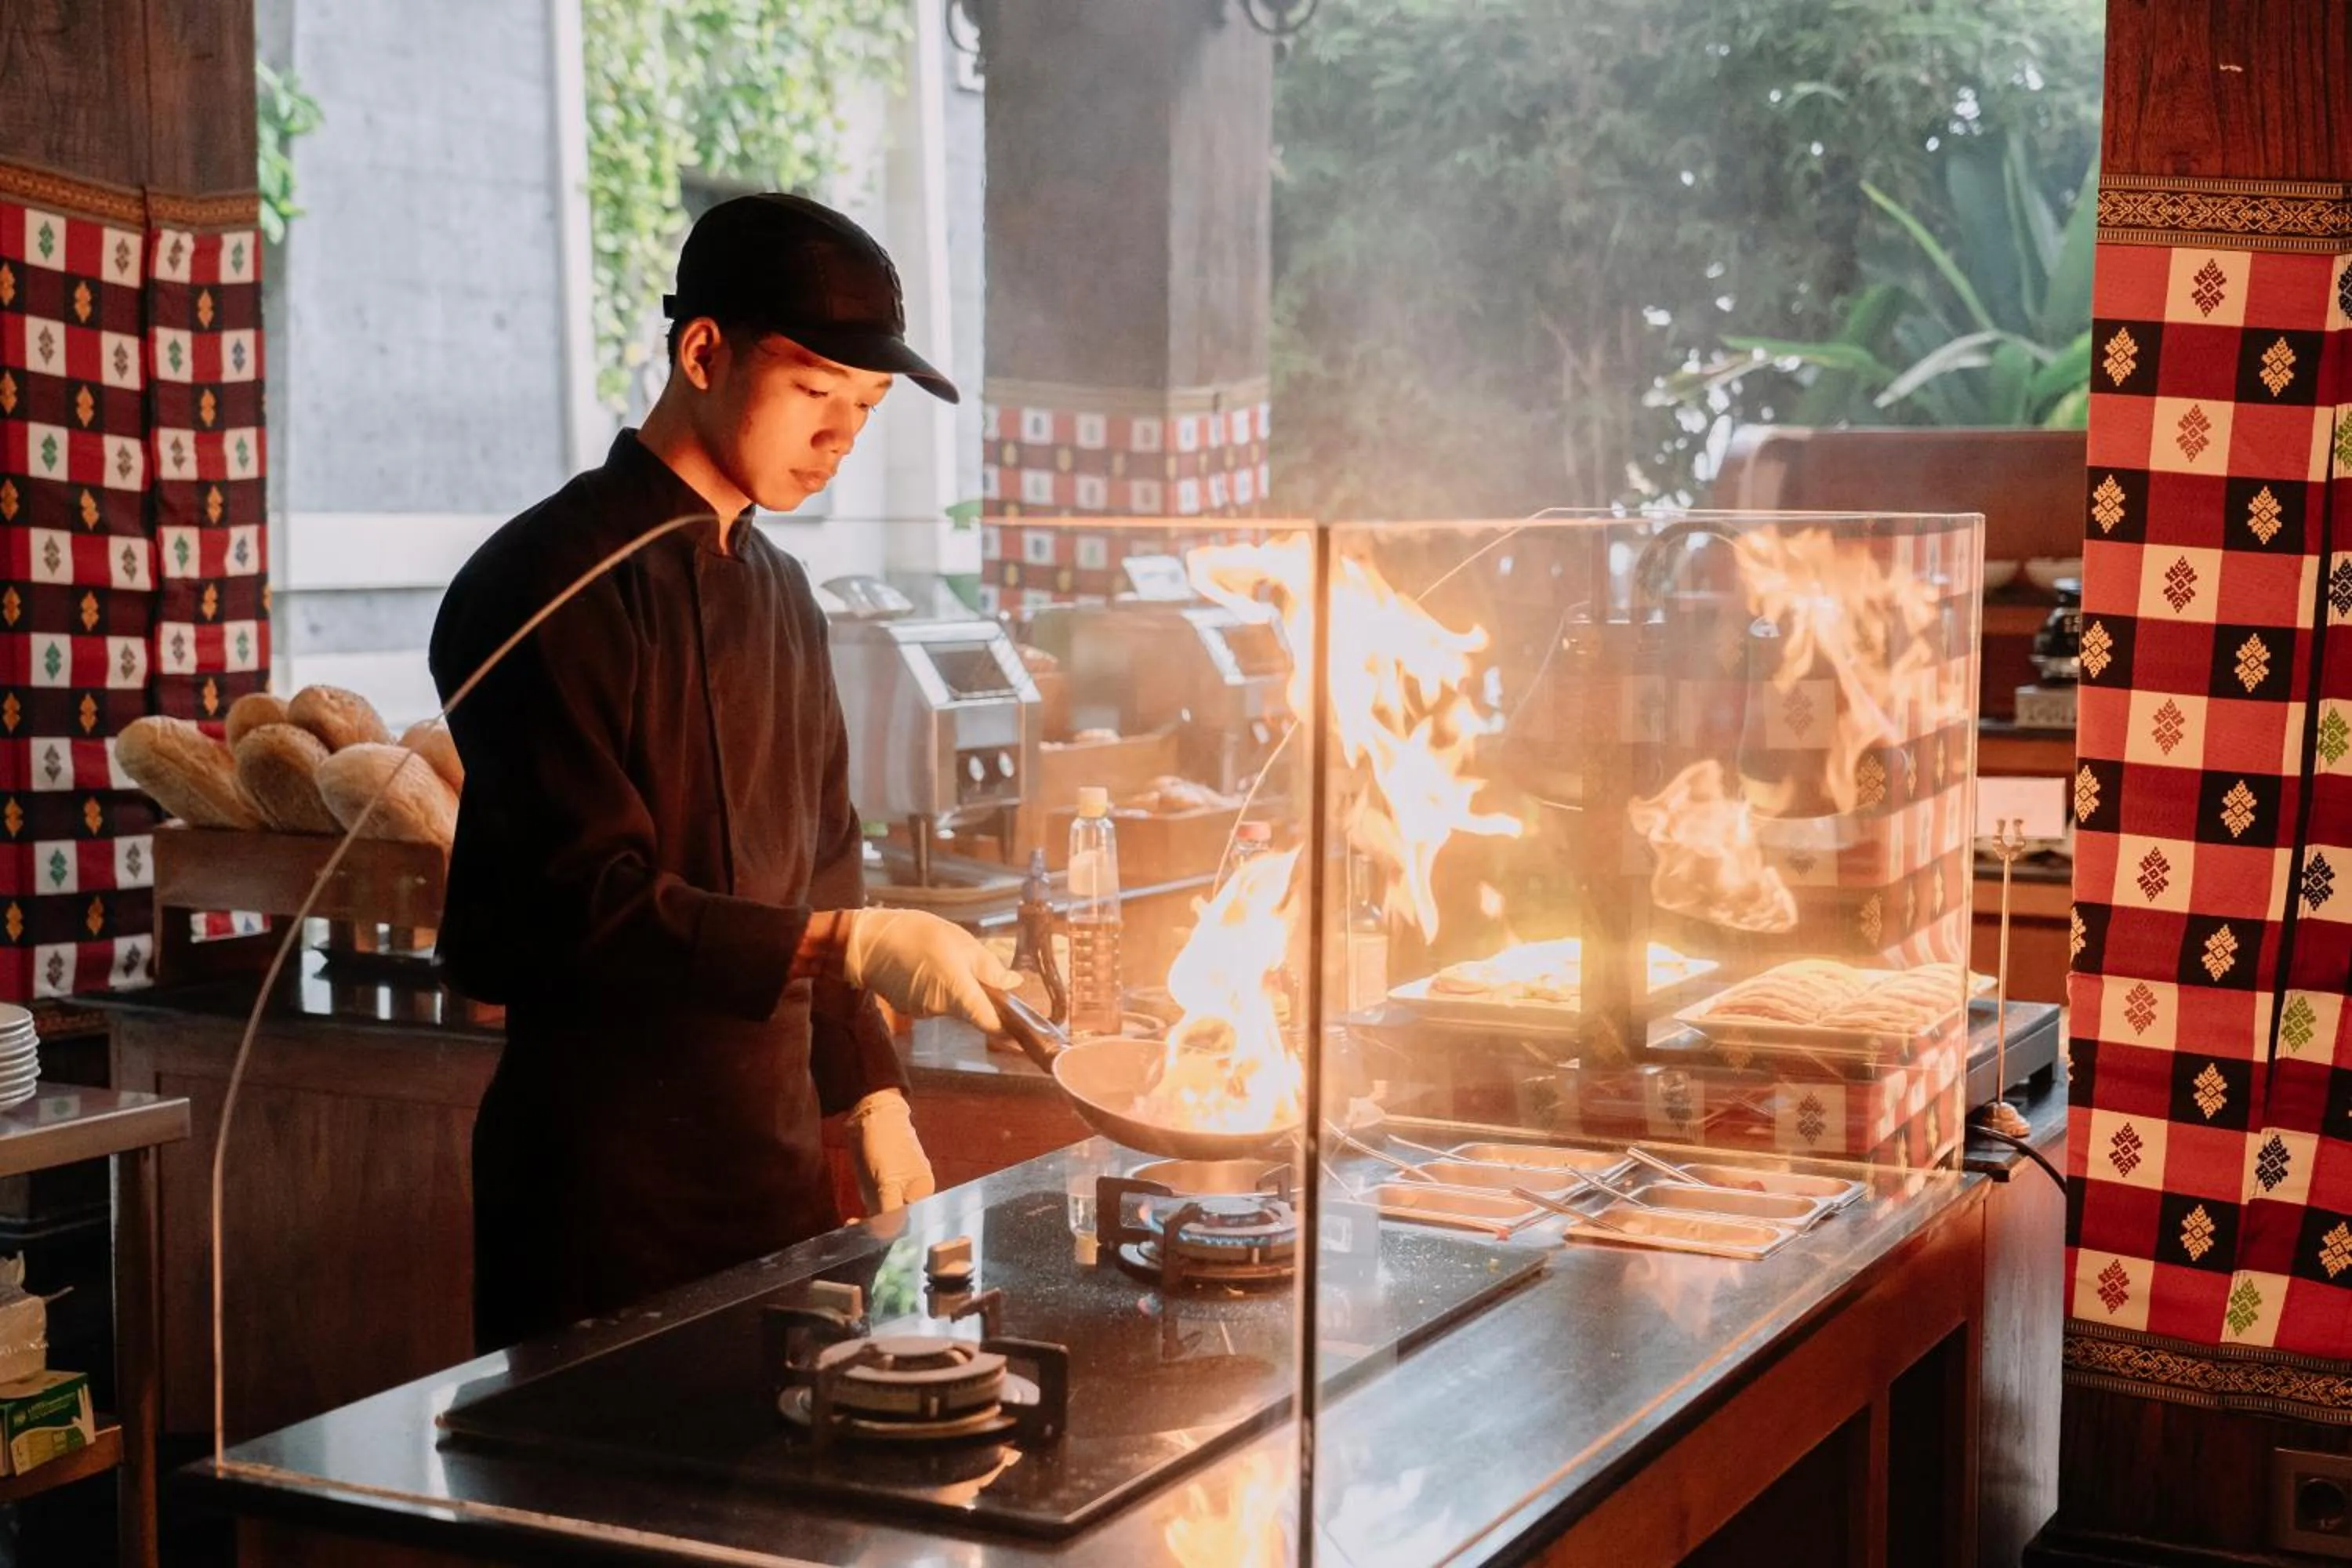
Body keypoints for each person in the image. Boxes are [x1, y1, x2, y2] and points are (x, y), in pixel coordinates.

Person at [428, 193, 1012, 1352]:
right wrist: (845, 944)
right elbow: (591, 905)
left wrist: (869, 1090)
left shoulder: (790, 599)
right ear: (704, 351)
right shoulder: (542, 581)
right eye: (815, 393)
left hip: (777, 1166)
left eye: (866, 407)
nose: (841, 437)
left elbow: (828, 863)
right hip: (603, 1186)